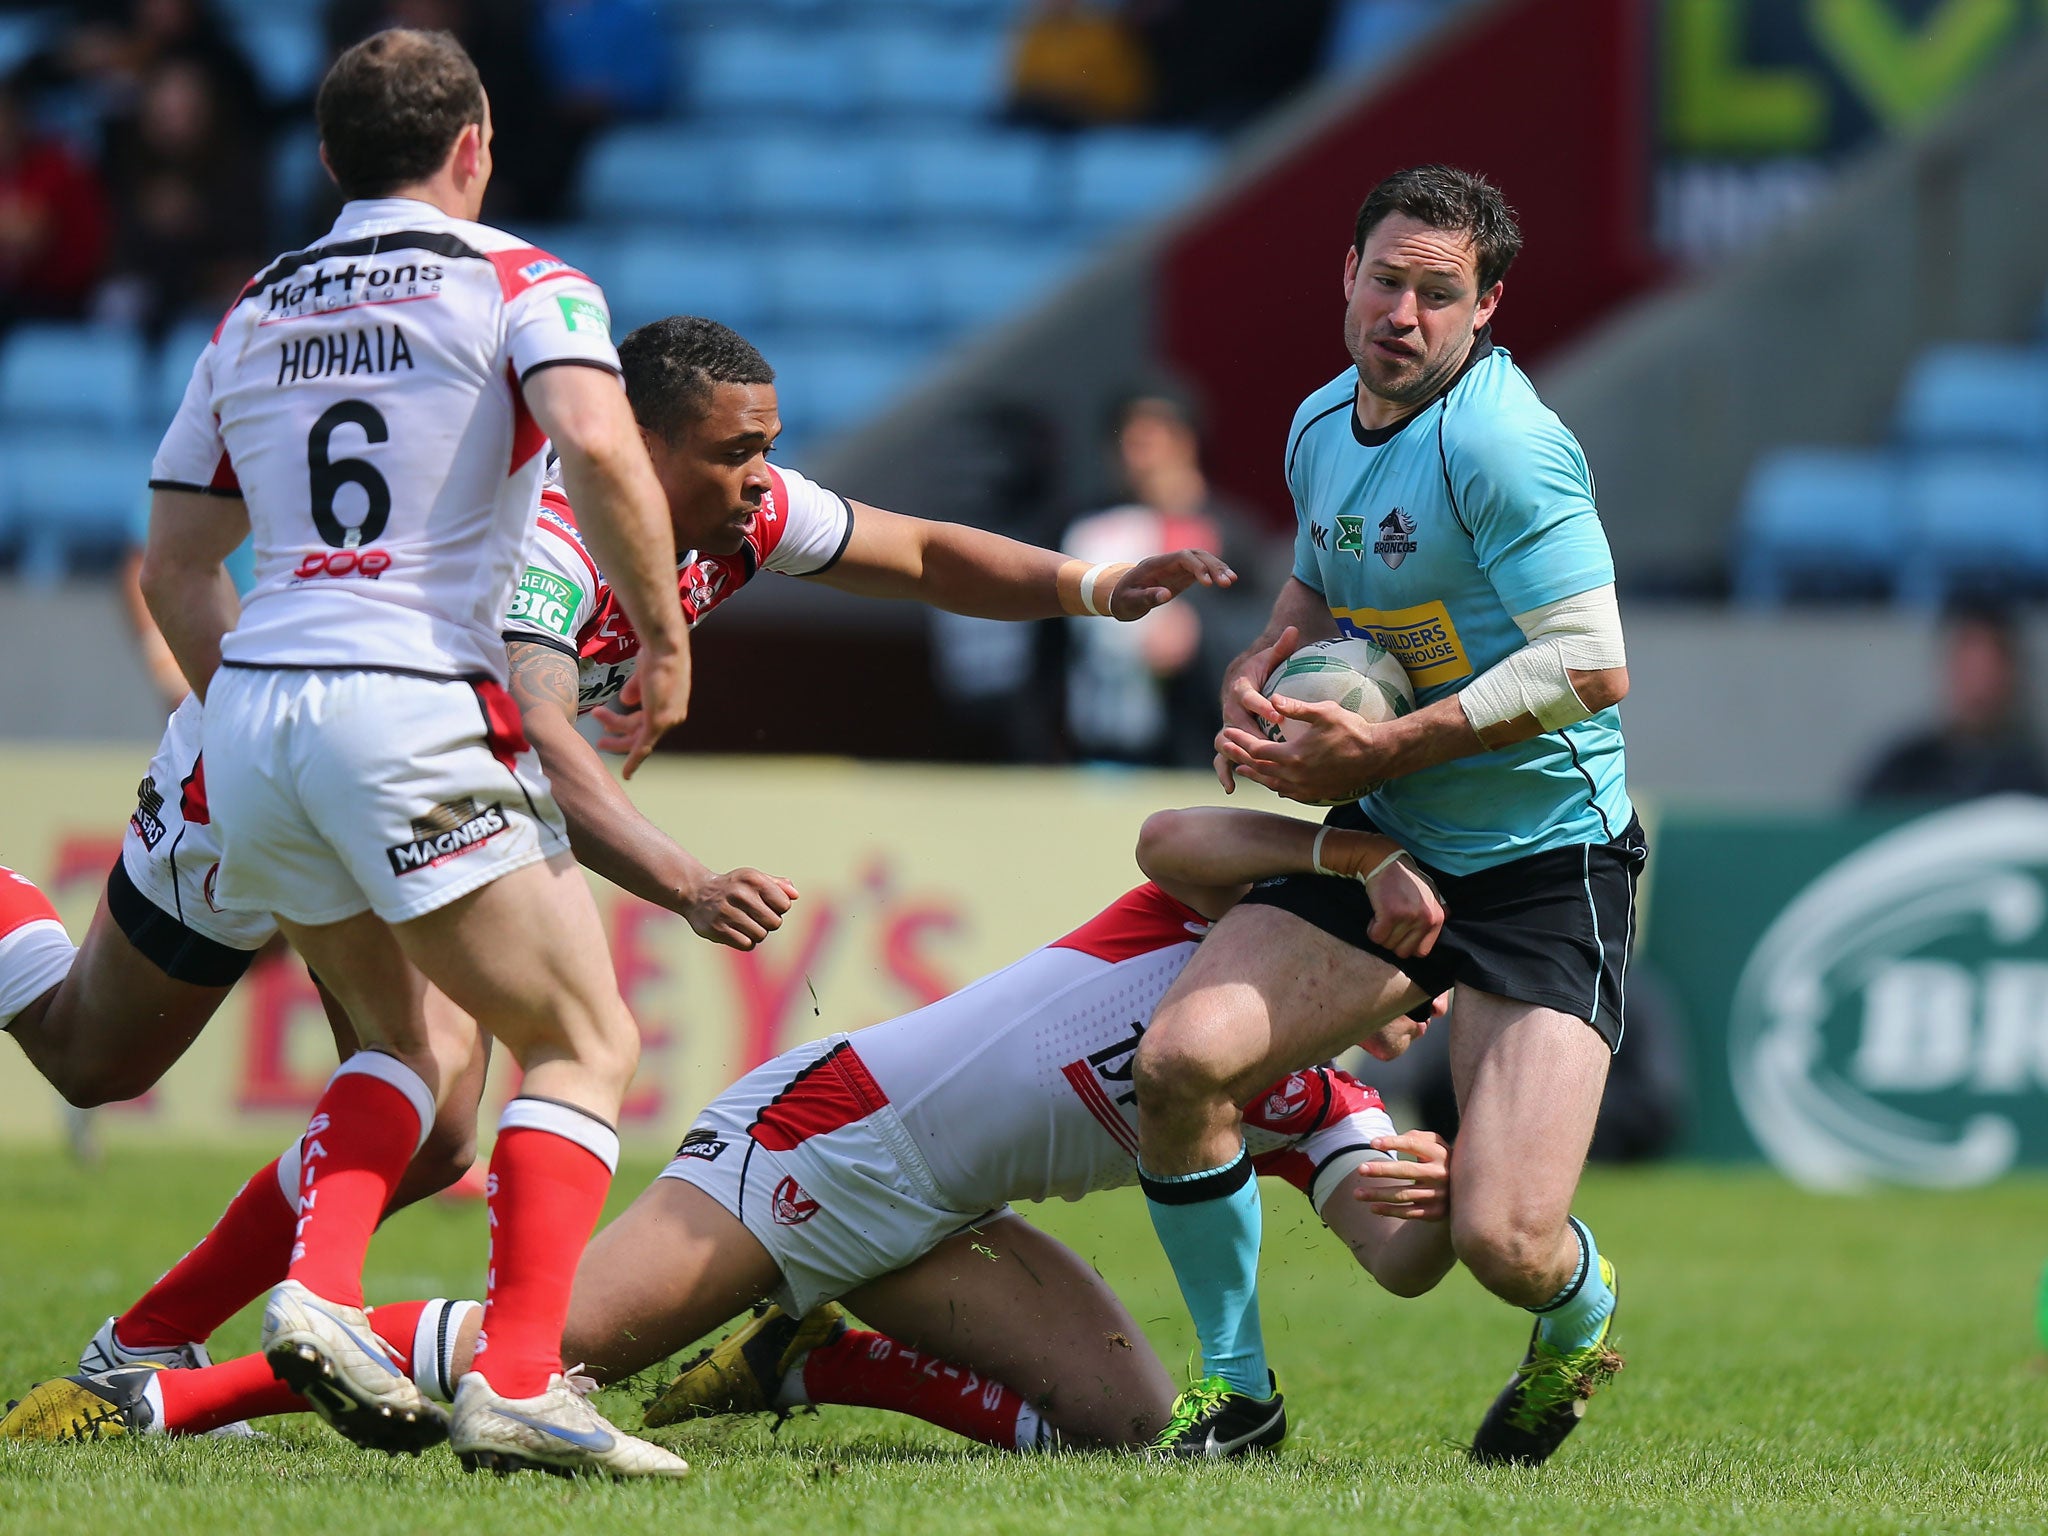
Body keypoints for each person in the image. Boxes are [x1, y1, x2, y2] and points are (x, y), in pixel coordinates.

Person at [7, 308, 1236, 1446]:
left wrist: (1089, 587)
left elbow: (913, 554)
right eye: (736, 450)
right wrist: (680, 879)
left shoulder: (739, 511)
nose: (763, 475)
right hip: (267, 767)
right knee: (93, 1057)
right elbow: (536, 732)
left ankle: (153, 1348)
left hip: (388, 793)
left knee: (436, 1118)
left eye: (771, 446)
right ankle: (326, 1355)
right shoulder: (548, 541)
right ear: (632, 447)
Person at [2, 805, 1454, 1451]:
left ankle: (814, 1360)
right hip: (821, 1146)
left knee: (1131, 1427)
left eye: (1433, 994)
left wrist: (1455, 1220)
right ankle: (167, 1397)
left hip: (940, 1218)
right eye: (1409, 973)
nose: (1417, 1007)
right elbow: (1169, 838)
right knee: (558, 1353)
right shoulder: (1219, 939)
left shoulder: (1312, 1089)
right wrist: (1360, 851)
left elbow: (1389, 1258)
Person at [136, 28, 696, 1477]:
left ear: (325, 161)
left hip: (259, 702)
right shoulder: (523, 279)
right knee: (585, 1038)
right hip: (410, 698)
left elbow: (177, 562)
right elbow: (602, 444)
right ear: (475, 148)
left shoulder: (252, 307)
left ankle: (317, 1291)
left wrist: (249, 705)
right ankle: (517, 1379)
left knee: (402, 1045)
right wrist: (667, 641)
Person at [1128, 164, 1640, 1465]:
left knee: (1499, 1245)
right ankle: (1236, 1392)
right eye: (1385, 280)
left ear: (1488, 308)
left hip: (1544, 858)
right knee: (1182, 1064)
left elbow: (1592, 661)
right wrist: (1258, 664)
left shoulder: (1504, 445)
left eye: (1438, 293)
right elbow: (1318, 590)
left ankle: (1576, 1314)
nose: (1403, 313)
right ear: (1345, 278)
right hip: (1388, 836)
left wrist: (1396, 735)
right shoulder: (1318, 424)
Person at [1062, 392, 1276, 767]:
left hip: (1202, 742)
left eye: (1149, 443)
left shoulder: (1232, 529)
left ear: (1185, 443)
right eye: (1127, 443)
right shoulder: (1091, 529)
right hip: (1110, 742)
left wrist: (1199, 629)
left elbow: (1266, 623)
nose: (1136, 458)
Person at [1854, 608, 2048, 805]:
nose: (1978, 683)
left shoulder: (2033, 772)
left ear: (2010, 674)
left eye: (1988, 668)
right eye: (1968, 667)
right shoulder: (1906, 767)